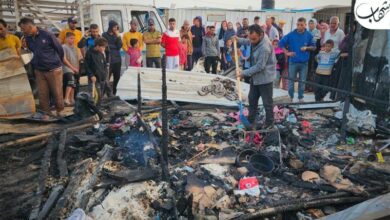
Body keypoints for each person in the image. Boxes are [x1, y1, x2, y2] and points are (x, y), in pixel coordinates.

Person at [19, 17, 65, 118]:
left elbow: (59, 49)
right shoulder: (27, 38)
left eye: (23, 29)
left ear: (29, 26)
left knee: (57, 92)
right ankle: (46, 114)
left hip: (53, 70)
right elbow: (31, 52)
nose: (22, 31)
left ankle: (60, 111)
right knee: (42, 94)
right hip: (39, 70)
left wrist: (58, 64)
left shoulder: (47, 35)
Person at [236, 24, 276, 128]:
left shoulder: (264, 47)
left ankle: (269, 123)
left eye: (254, 39)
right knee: (252, 99)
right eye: (250, 38)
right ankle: (250, 120)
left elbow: (259, 67)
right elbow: (249, 41)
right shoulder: (254, 39)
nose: (252, 41)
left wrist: (243, 73)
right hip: (255, 78)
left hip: (265, 78)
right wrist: (238, 39)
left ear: (261, 35)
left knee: (267, 102)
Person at [279, 17, 316, 102]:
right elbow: (281, 43)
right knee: (291, 82)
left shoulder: (309, 35)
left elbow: (314, 47)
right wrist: (287, 53)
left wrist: (306, 48)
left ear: (305, 25)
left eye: (301, 25)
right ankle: (290, 97)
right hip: (293, 62)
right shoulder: (291, 34)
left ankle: (300, 97)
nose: (299, 26)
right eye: (298, 25)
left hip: (304, 63)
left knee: (302, 82)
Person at [85, 37, 112, 102]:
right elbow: (86, 66)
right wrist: (91, 75)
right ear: (97, 46)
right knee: (94, 97)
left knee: (100, 96)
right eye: (103, 47)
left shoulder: (101, 53)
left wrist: (105, 74)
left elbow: (104, 65)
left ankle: (99, 107)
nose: (104, 49)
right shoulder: (89, 53)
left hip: (102, 78)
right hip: (94, 78)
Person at [102, 20, 122, 95]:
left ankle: (115, 93)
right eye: (114, 27)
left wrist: (118, 36)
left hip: (117, 60)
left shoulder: (116, 35)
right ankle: (104, 94)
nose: (115, 28)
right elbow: (106, 46)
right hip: (109, 60)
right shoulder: (104, 35)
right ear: (110, 27)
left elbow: (119, 46)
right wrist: (114, 46)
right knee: (106, 78)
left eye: (116, 27)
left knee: (117, 78)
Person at [62, 32, 82, 105]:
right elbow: (64, 60)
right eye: (71, 38)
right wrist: (72, 68)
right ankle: (66, 98)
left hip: (75, 68)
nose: (72, 40)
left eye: (73, 38)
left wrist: (77, 69)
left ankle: (72, 99)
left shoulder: (76, 48)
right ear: (66, 38)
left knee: (74, 84)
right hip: (67, 68)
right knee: (71, 81)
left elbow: (79, 59)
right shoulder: (63, 47)